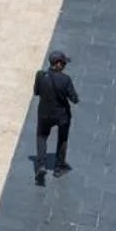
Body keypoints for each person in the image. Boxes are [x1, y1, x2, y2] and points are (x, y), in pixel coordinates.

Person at [33, 49, 78, 184]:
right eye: (63, 63)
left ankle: (40, 165)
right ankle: (59, 168)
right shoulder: (66, 79)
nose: (64, 66)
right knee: (62, 139)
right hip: (61, 115)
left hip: (44, 113)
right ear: (58, 64)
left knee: (41, 137)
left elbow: (36, 92)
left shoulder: (40, 75)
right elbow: (74, 99)